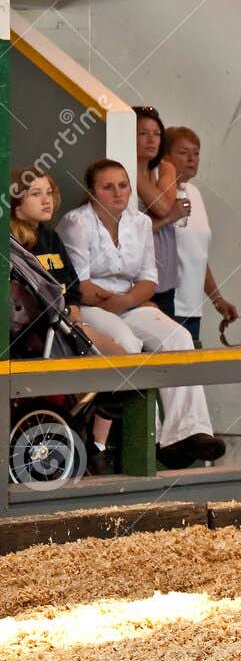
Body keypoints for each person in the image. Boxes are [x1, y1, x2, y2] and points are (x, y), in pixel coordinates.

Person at [56, 159, 226, 469]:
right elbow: (80, 285)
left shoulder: (140, 222)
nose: (118, 192)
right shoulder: (76, 223)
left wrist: (129, 299)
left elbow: (149, 279)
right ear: (92, 192)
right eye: (108, 187)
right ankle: (154, 437)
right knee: (128, 344)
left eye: (123, 185)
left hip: (128, 302)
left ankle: (189, 432)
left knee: (179, 336)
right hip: (90, 308)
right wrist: (122, 299)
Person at [10, 168, 123, 474]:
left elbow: (70, 292)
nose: (46, 200)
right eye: (36, 194)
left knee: (126, 362)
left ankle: (97, 444)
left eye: (49, 193)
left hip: (64, 322)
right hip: (34, 333)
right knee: (116, 359)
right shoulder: (13, 241)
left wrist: (77, 321)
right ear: (16, 201)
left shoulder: (51, 237)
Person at [165, 127, 240, 346]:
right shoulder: (161, 196)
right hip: (167, 305)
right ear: (165, 156)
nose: (191, 159)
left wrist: (217, 299)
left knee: (187, 376)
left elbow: (197, 255)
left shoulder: (194, 194)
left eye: (196, 153)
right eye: (183, 152)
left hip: (192, 307)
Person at [131, 106, 189, 317]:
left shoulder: (164, 168)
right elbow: (166, 211)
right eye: (143, 134)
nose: (151, 140)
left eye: (156, 134)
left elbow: (162, 204)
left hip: (164, 276)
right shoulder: (121, 174)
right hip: (135, 278)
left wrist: (168, 216)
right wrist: (170, 217)